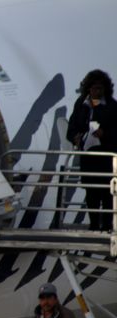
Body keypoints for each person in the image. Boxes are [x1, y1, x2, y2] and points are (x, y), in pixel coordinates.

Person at [67, 69, 117, 231]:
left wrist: (105, 134)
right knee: (91, 193)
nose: (97, 91)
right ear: (88, 88)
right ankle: (94, 224)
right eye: (94, 88)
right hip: (88, 156)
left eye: (100, 88)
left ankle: (108, 225)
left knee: (107, 193)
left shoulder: (112, 106)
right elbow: (71, 128)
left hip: (106, 156)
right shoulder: (81, 105)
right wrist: (76, 137)